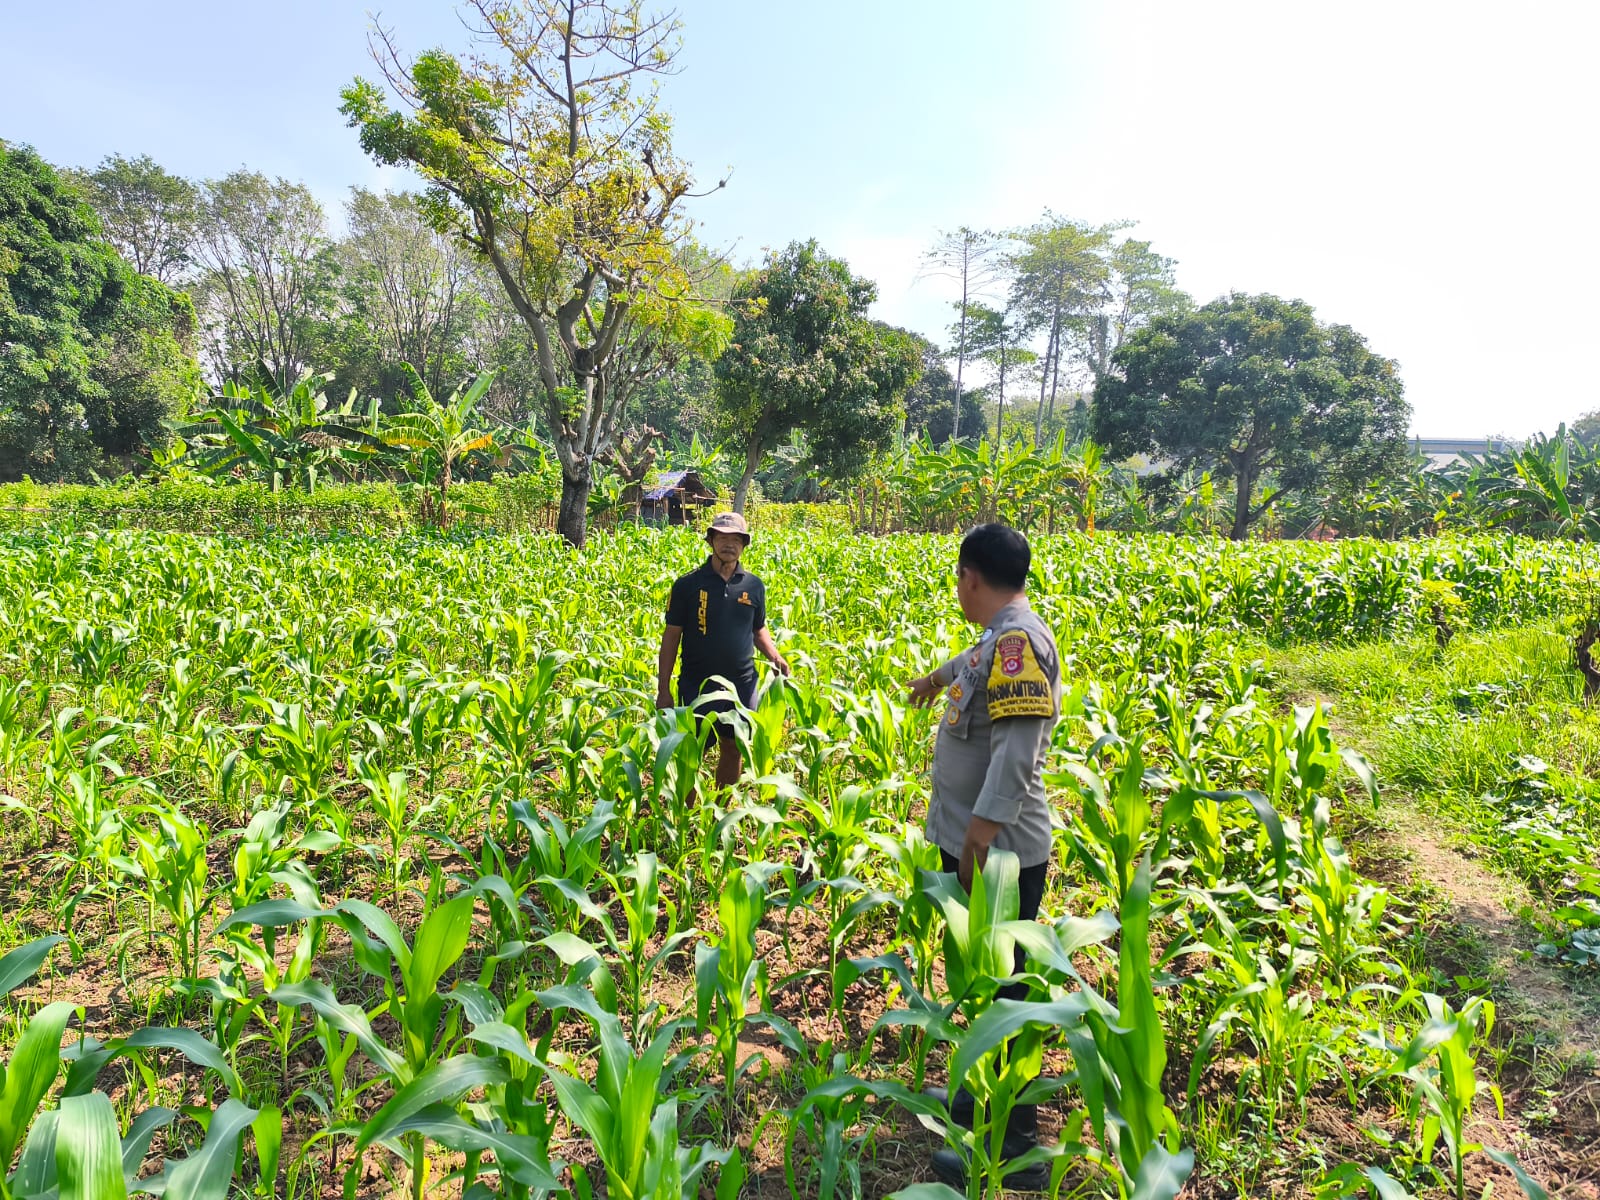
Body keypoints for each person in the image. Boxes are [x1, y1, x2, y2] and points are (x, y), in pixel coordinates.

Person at [906, 522, 1062, 1191]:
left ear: (971, 577)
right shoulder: (1001, 636)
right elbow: (973, 662)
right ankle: (974, 1100)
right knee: (981, 979)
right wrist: (933, 679)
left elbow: (1016, 755)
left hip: (999, 856)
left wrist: (977, 837)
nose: (957, 588)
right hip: (979, 847)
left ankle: (1013, 1143)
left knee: (1007, 989)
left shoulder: (1019, 643)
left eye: (958, 578)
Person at [658, 512, 789, 790]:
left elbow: (758, 629)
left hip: (742, 684)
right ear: (710, 541)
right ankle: (686, 812)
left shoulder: (753, 585)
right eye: (722, 538)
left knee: (734, 746)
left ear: (744, 545)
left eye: (736, 540)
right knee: (692, 750)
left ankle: (719, 811)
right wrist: (663, 689)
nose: (729, 544)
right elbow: (671, 637)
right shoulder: (687, 585)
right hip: (697, 683)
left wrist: (775, 656)